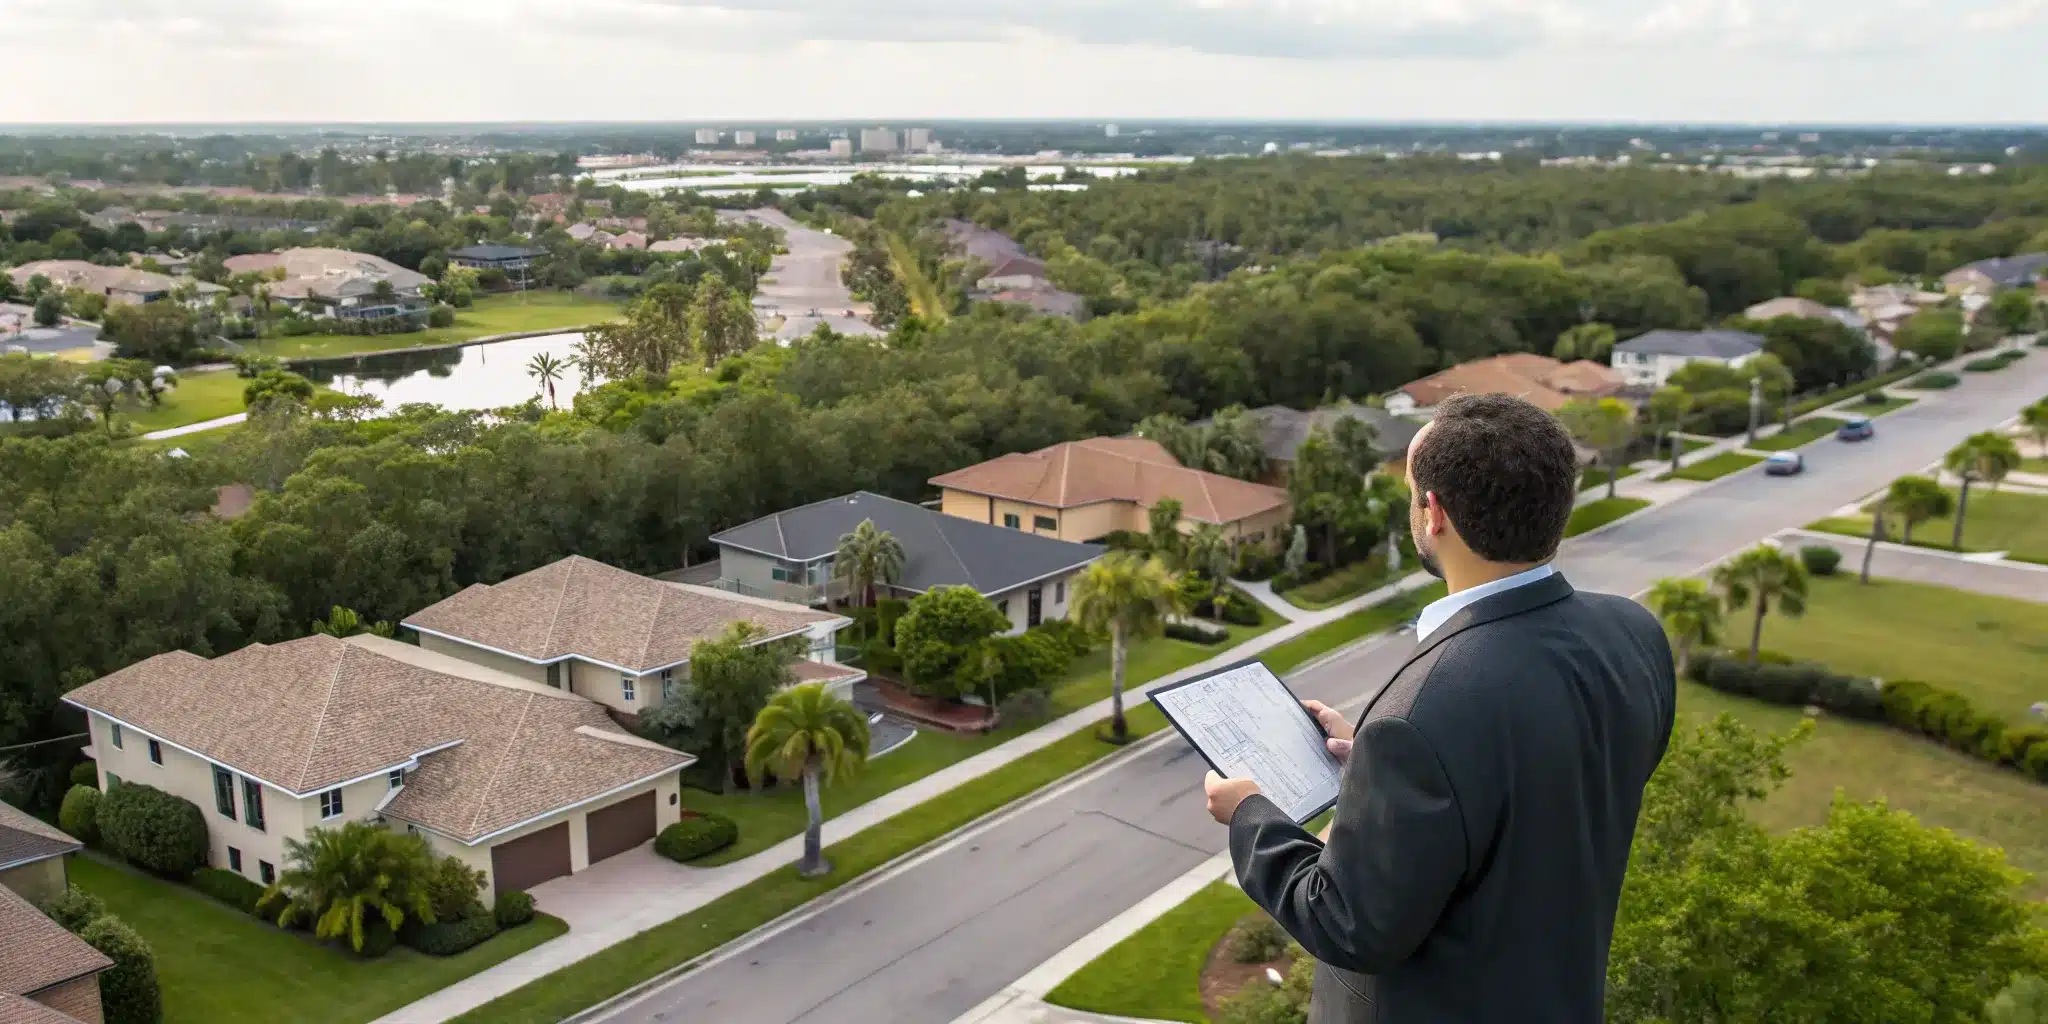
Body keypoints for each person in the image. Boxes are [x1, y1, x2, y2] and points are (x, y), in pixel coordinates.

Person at [1202, 393, 1676, 1023]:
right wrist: (1374, 772)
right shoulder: (1634, 636)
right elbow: (1538, 797)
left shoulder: (1423, 713)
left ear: (1433, 513)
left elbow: (1349, 924)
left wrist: (1249, 817)